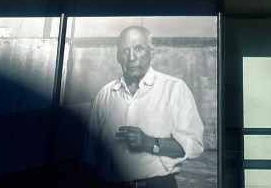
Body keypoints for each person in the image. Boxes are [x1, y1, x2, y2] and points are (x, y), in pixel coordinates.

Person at [84, 26, 203, 186]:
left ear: (151, 52)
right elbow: (90, 154)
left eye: (138, 48)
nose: (131, 57)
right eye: (125, 50)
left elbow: (194, 145)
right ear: (118, 56)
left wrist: (151, 143)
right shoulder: (104, 95)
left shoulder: (174, 89)